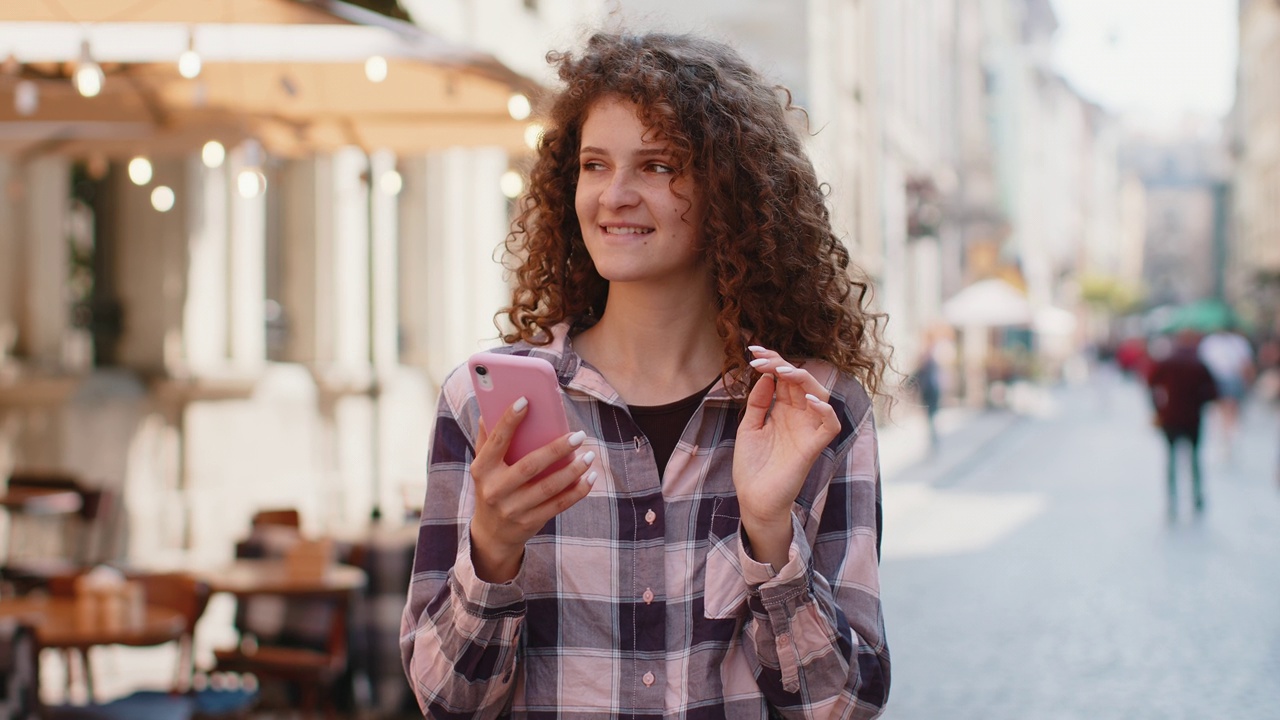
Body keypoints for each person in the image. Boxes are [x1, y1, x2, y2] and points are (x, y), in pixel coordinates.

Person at [400, 31, 892, 718]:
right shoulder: (482, 404)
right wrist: (492, 551)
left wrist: (768, 535)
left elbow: (842, 706)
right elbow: (445, 701)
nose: (616, 195)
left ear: (729, 189)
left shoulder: (812, 411)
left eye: (658, 166)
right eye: (594, 165)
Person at [1147, 329, 1219, 517]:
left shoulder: (1167, 362)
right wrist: (1198, 401)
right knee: (1194, 459)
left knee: (1171, 459)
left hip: (1170, 416)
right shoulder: (1198, 363)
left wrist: (1158, 409)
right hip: (1192, 417)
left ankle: (1172, 499)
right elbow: (1213, 392)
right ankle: (1196, 496)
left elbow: (1150, 384)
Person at [1196, 323, 1255, 459]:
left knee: (1230, 408)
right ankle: (1224, 438)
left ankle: (1229, 438)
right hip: (1217, 379)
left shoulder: (1237, 342)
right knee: (1221, 409)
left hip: (1231, 379)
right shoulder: (1211, 342)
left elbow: (1245, 364)